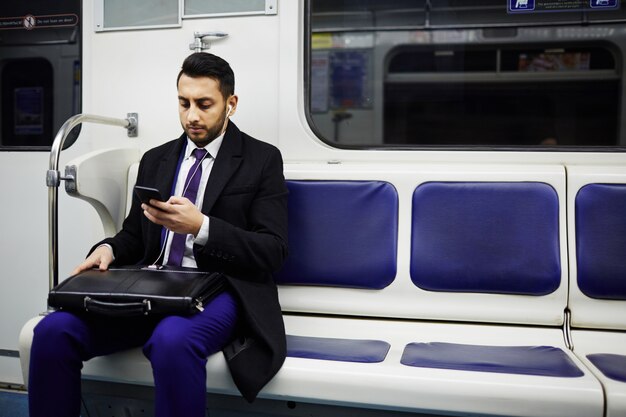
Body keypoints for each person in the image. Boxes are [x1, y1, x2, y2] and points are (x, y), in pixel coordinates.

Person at [28, 52, 289, 417]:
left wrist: (201, 227)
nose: (192, 116)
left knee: (172, 340)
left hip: (220, 288)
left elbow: (272, 250)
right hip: (153, 286)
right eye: (184, 103)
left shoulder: (261, 159)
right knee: (53, 332)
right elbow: (134, 235)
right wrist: (107, 249)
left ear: (231, 104)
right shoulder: (157, 159)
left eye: (204, 104)